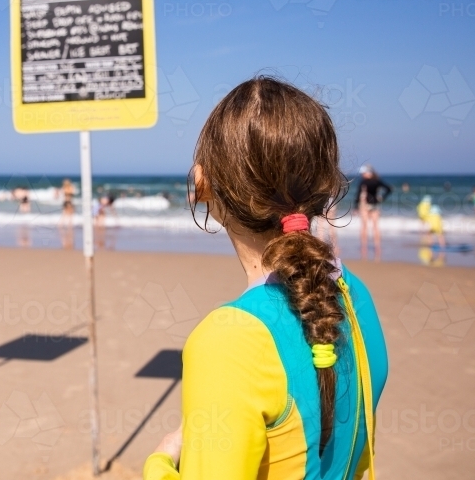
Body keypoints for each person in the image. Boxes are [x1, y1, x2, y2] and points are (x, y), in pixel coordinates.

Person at [145, 77, 388, 480]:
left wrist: (160, 462)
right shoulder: (354, 295)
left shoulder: (229, 341)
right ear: (323, 185)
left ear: (201, 184)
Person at [355, 164, 392, 261]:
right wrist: (381, 198)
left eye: (364, 173)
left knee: (365, 226)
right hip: (375, 205)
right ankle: (377, 247)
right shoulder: (377, 181)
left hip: (366, 205)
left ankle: (364, 247)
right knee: (375, 227)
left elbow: (358, 194)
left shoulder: (364, 182)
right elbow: (389, 189)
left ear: (368, 173)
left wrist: (356, 206)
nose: (363, 174)